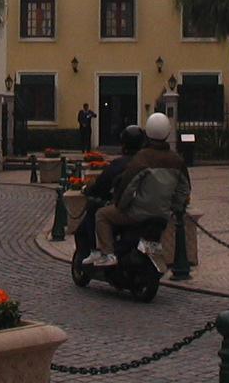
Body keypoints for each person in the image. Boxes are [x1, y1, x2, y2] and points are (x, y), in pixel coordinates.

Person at [84, 112, 189, 268]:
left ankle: (108, 254)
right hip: (163, 214)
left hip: (138, 213)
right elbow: (184, 189)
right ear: (167, 131)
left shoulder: (142, 157)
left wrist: (121, 204)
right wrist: (175, 206)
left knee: (101, 215)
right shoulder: (177, 160)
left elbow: (128, 185)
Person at [74, 124, 145, 259]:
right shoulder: (147, 162)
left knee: (99, 214)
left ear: (124, 144)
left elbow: (101, 184)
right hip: (147, 209)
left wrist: (89, 189)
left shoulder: (120, 164)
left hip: (127, 210)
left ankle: (101, 252)